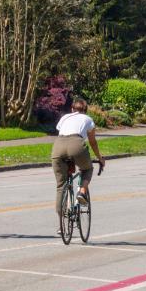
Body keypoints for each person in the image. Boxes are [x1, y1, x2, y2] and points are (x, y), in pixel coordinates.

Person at [51, 98, 105, 229]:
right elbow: (92, 142)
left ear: (72, 109)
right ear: (85, 110)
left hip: (58, 146)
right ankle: (81, 192)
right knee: (87, 169)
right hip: (77, 145)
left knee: (60, 186)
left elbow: (61, 132)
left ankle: (61, 224)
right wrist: (100, 158)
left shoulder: (64, 118)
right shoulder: (88, 119)